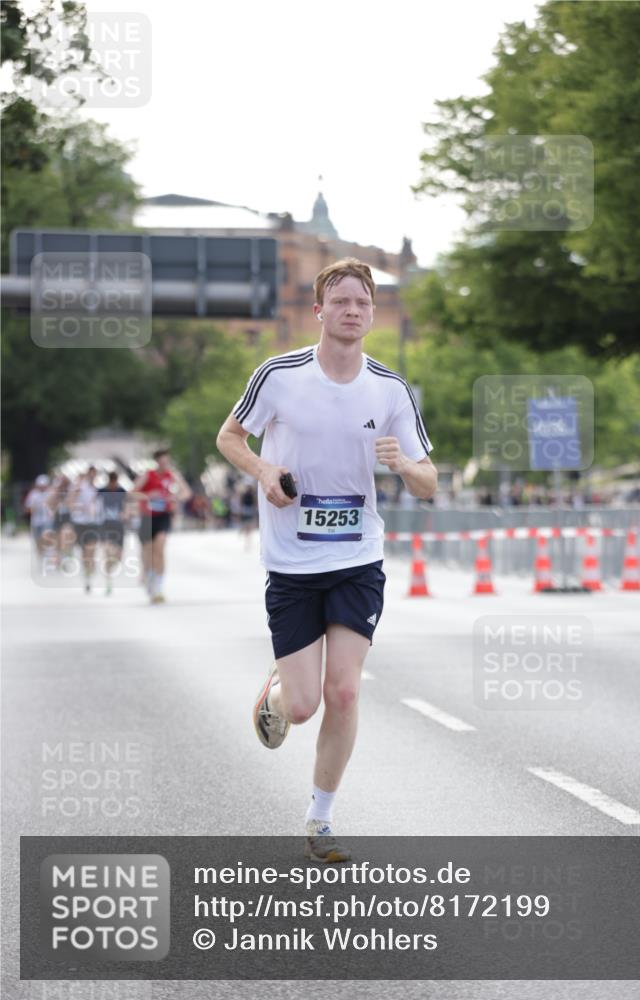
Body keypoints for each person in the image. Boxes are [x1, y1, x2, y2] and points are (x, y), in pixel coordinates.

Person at [216, 257, 437, 863]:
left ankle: (321, 818)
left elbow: (429, 482)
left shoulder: (390, 389)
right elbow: (229, 437)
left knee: (344, 693)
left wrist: (405, 466)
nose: (352, 311)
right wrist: (264, 470)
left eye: (362, 303)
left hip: (358, 556)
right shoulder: (279, 375)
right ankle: (278, 695)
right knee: (306, 704)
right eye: (340, 301)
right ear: (319, 311)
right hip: (291, 561)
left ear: (372, 313)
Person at [133, 449, 192, 604]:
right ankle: (149, 576)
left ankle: (159, 586)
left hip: (164, 516)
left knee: (160, 548)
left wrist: (175, 497)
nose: (165, 464)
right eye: (162, 461)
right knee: (148, 550)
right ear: (157, 461)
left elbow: (186, 492)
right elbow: (131, 493)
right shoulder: (148, 475)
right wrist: (148, 495)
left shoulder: (172, 475)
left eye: (167, 461)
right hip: (147, 517)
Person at [68, 466, 102, 593]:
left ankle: (90, 570)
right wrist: (78, 508)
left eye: (95, 474)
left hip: (94, 523)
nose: (93, 476)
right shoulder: (80, 487)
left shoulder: (98, 489)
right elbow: (71, 501)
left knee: (91, 549)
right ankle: (87, 576)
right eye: (91, 474)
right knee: (84, 552)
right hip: (80, 522)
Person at [98, 471, 128, 596]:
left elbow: (127, 505)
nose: (113, 485)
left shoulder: (122, 491)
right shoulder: (101, 492)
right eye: (112, 482)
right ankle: (108, 582)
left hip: (119, 527)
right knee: (108, 553)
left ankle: (110, 571)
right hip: (105, 525)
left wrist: (126, 514)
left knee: (118, 557)